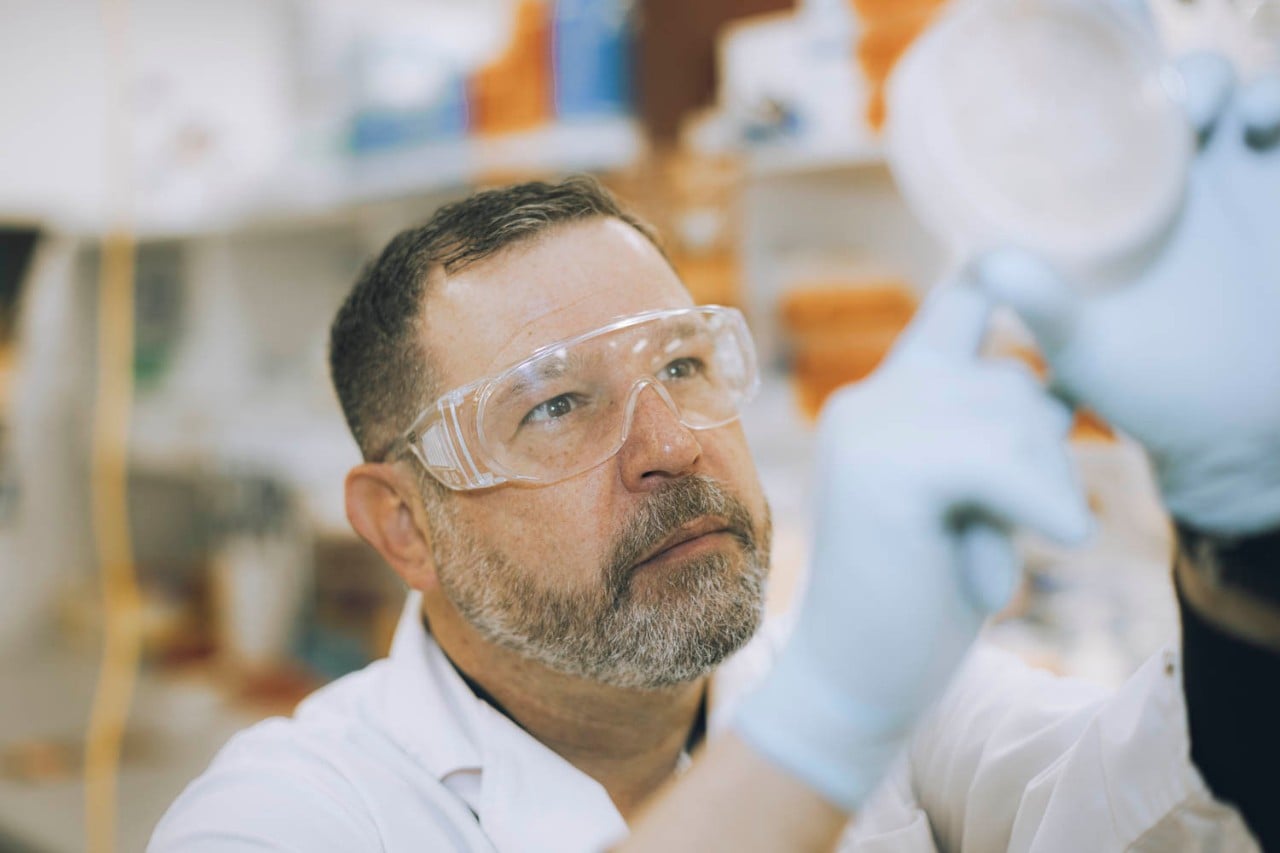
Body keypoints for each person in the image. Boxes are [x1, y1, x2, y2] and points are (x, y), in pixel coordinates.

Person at [150, 58, 1280, 852]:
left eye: (682, 365)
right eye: (551, 407)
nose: (672, 446)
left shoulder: (908, 698)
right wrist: (822, 726)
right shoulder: (284, 813)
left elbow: (1171, 822)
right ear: (403, 522)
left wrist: (1245, 534)